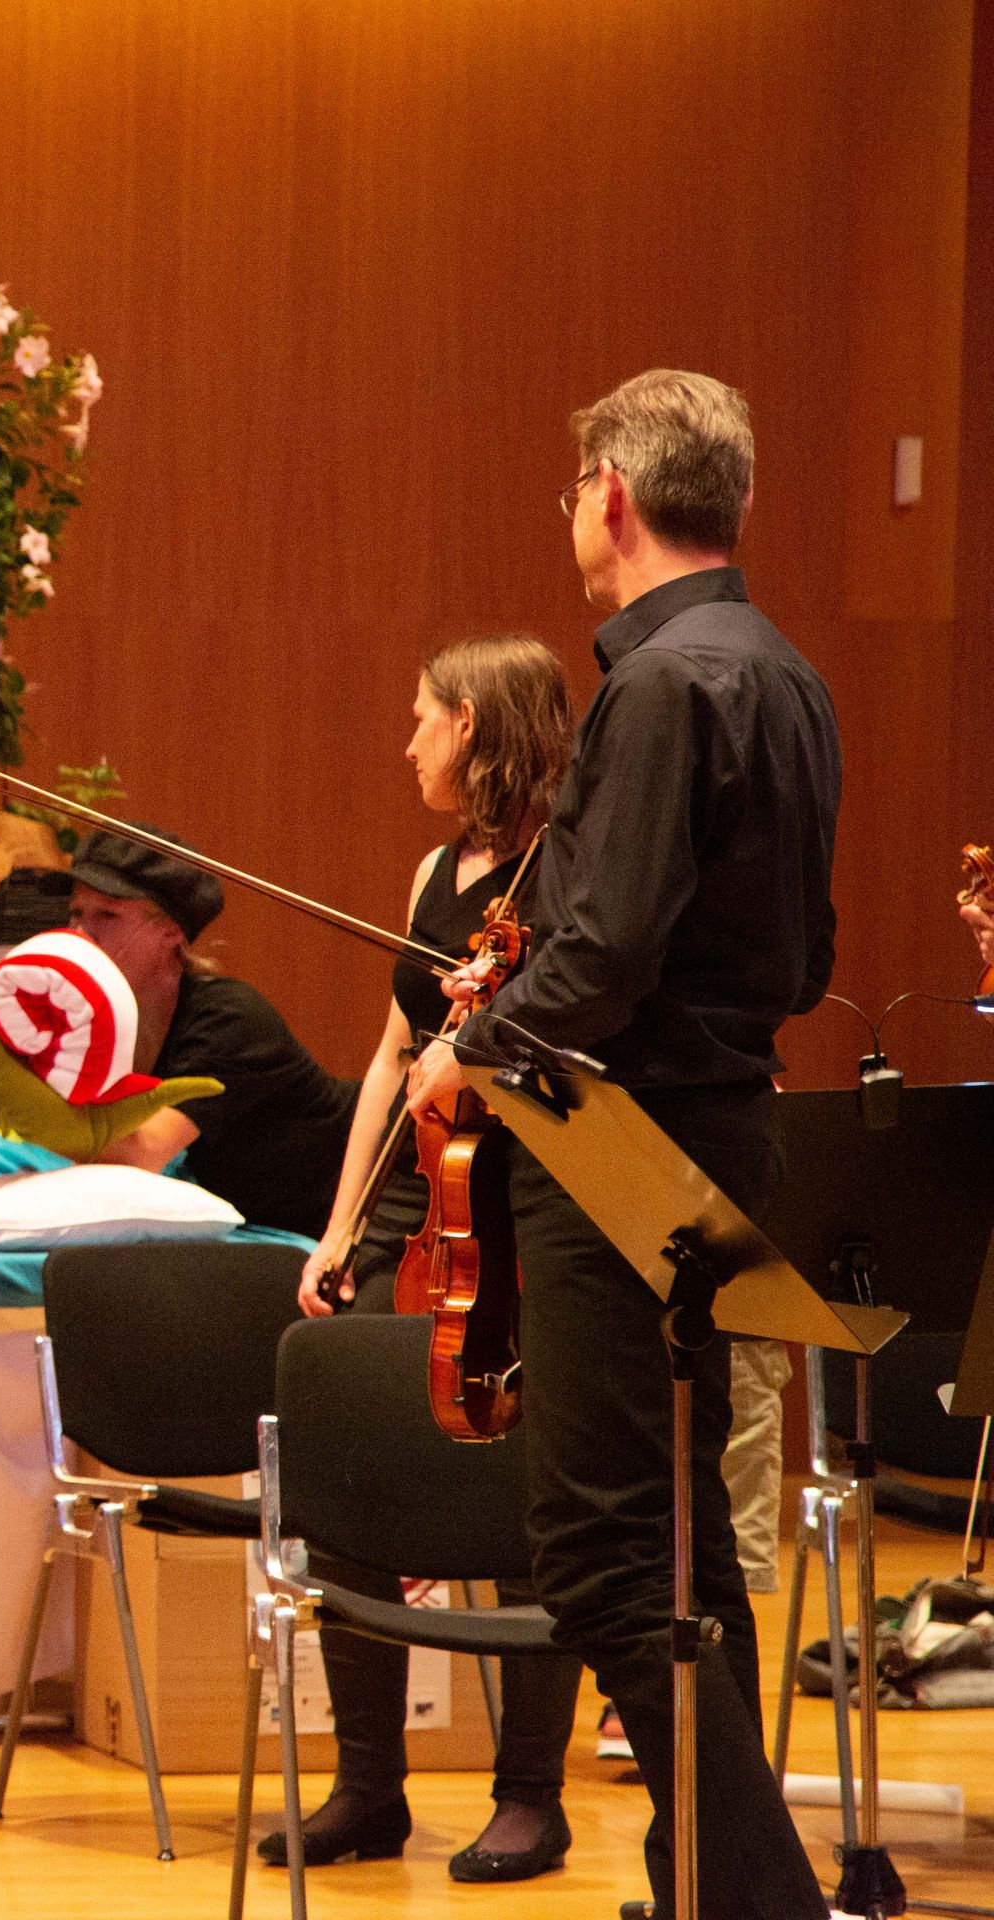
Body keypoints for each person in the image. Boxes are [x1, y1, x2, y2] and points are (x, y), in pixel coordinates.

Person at [413, 370, 840, 1920]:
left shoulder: (660, 686)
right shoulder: (788, 675)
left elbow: (601, 958)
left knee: (596, 1547)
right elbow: (800, 958)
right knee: (685, 1549)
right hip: (725, 1131)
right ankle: (711, 1883)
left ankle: (761, 1897)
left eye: (573, 491)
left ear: (610, 492)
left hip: (619, 1149)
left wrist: (474, 1045)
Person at [282, 634, 586, 1881]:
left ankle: (532, 1795)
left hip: (522, 1204)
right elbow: (393, 1054)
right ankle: (368, 1789)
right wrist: (341, 1222)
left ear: (472, 725)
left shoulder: (565, 870)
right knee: (350, 1461)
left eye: (423, 717)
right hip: (418, 1202)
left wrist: (494, 1029)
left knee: (526, 1491)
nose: (407, 740)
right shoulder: (431, 872)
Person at [68, 831, 358, 1237]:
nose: (81, 934)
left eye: (107, 915)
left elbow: (141, 1152)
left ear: (171, 931)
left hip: (367, 1202)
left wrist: (20, 1106)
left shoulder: (229, 1017)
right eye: (76, 914)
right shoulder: (91, 1021)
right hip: (259, 1222)